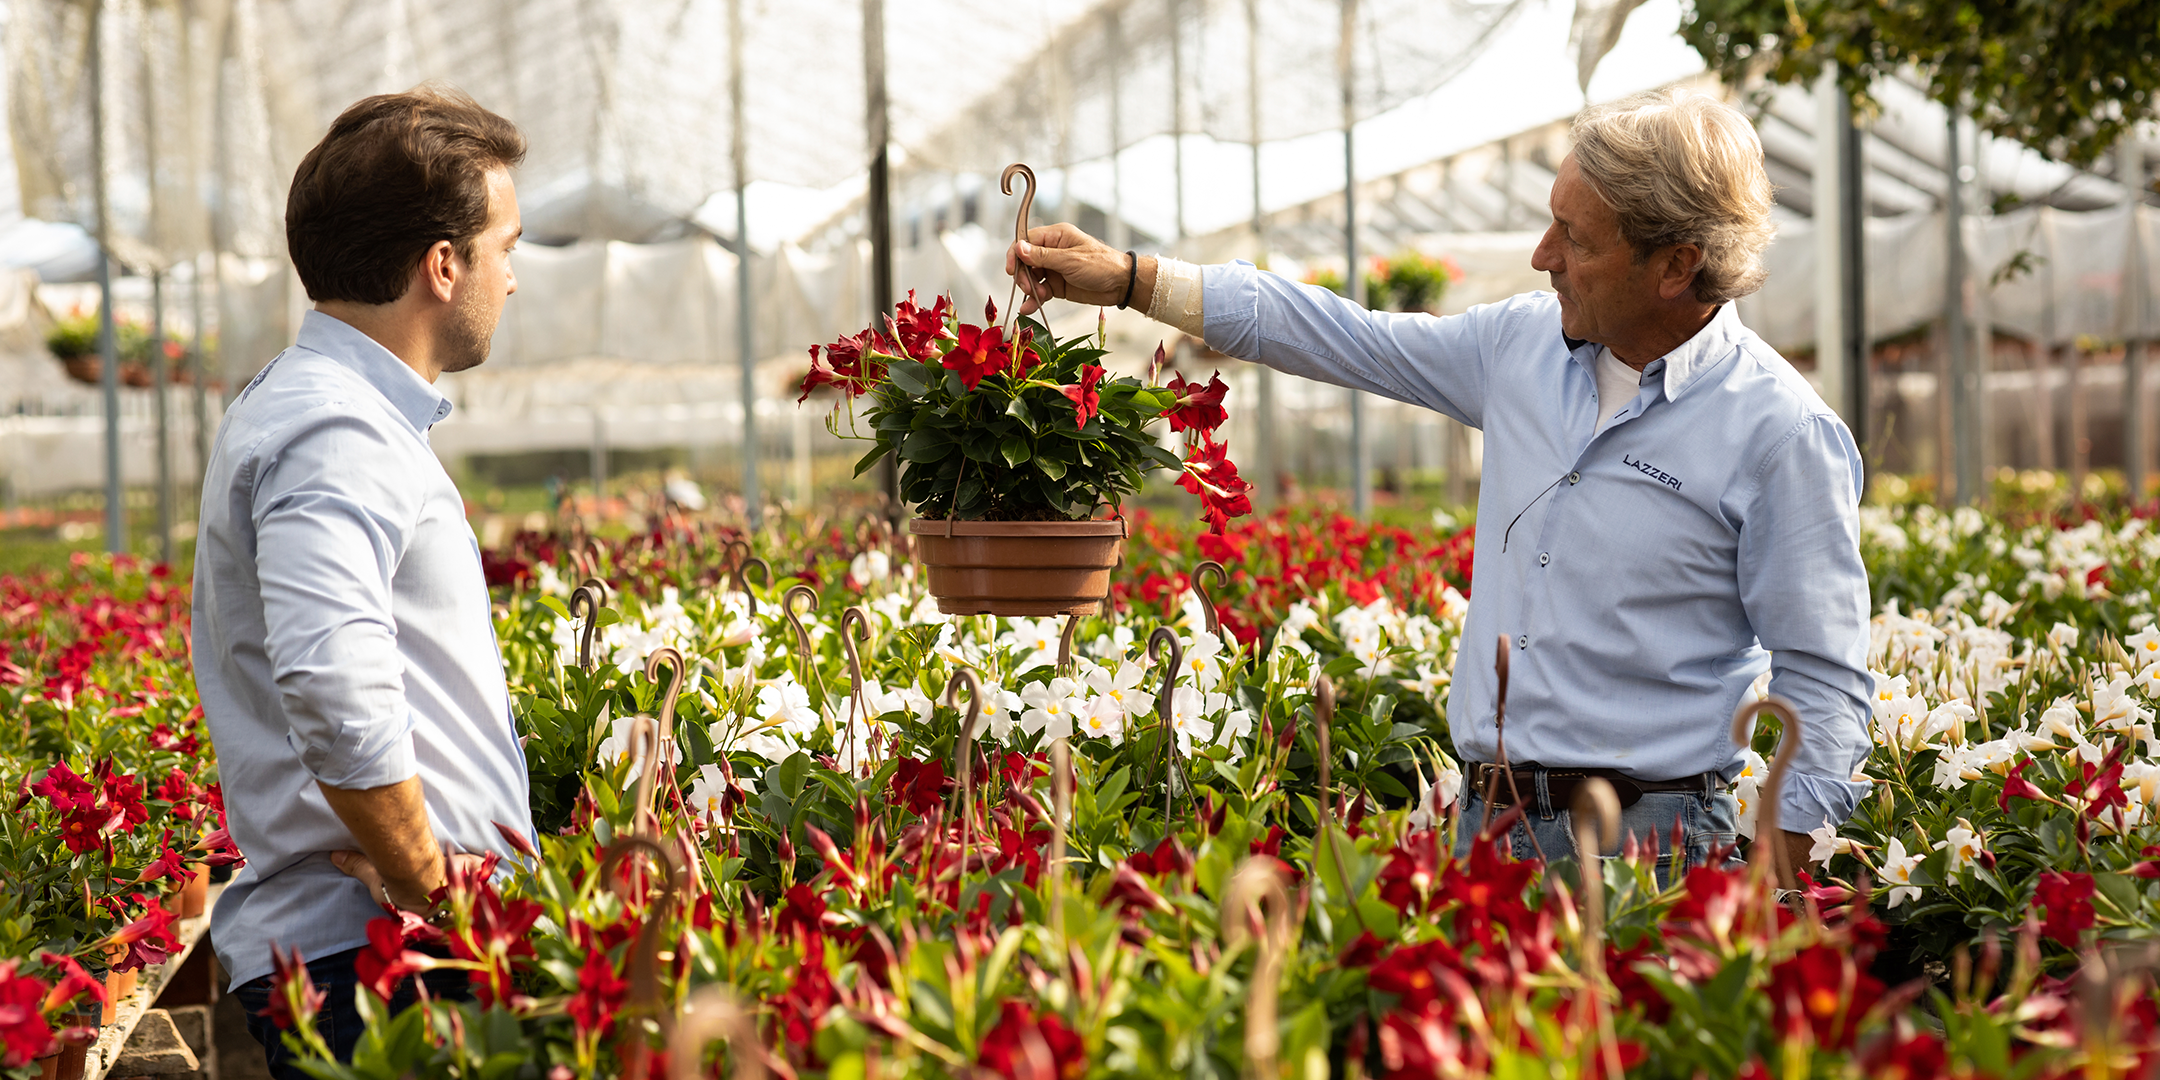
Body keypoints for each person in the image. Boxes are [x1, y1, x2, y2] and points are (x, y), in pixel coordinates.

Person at [1006, 87, 1872, 884]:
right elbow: (1340, 333)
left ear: (1677, 265)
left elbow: (1824, 680)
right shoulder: (1521, 348)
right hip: (1489, 833)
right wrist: (1128, 279)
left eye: (1575, 237)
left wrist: (1776, 876)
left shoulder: (1780, 433)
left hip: (1657, 847)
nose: (1543, 256)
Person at [191, 84, 535, 1075]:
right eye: (504, 247)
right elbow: (333, 683)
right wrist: (426, 875)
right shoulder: (334, 429)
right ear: (443, 265)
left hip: (388, 951)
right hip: (380, 964)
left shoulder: (324, 412)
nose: (510, 279)